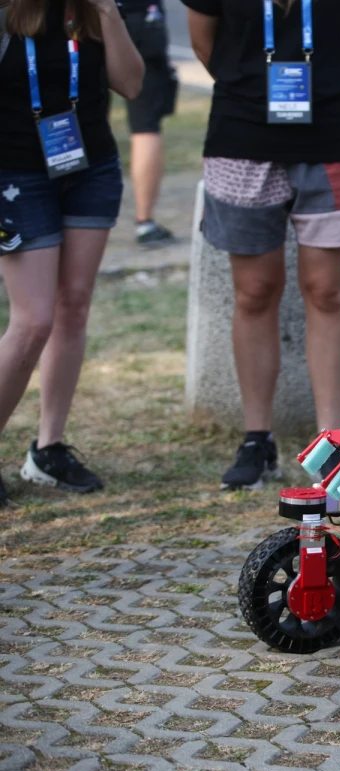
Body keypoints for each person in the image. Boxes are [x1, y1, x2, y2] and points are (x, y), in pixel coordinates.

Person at [182, 0, 340, 490]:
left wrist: (323, 76)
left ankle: (330, 442)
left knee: (328, 292)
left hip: (333, 134)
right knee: (254, 292)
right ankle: (258, 438)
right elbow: (205, 44)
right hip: (241, 135)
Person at [0, 0, 143, 507]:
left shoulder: (91, 12)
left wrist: (107, 12)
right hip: (17, 176)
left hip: (90, 170)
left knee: (72, 307)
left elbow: (131, 83)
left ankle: (48, 448)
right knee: (33, 320)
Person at [119, 1, 177, 248]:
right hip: (140, 18)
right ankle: (145, 222)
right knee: (145, 126)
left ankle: (67, 219)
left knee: (77, 118)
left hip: (79, 17)